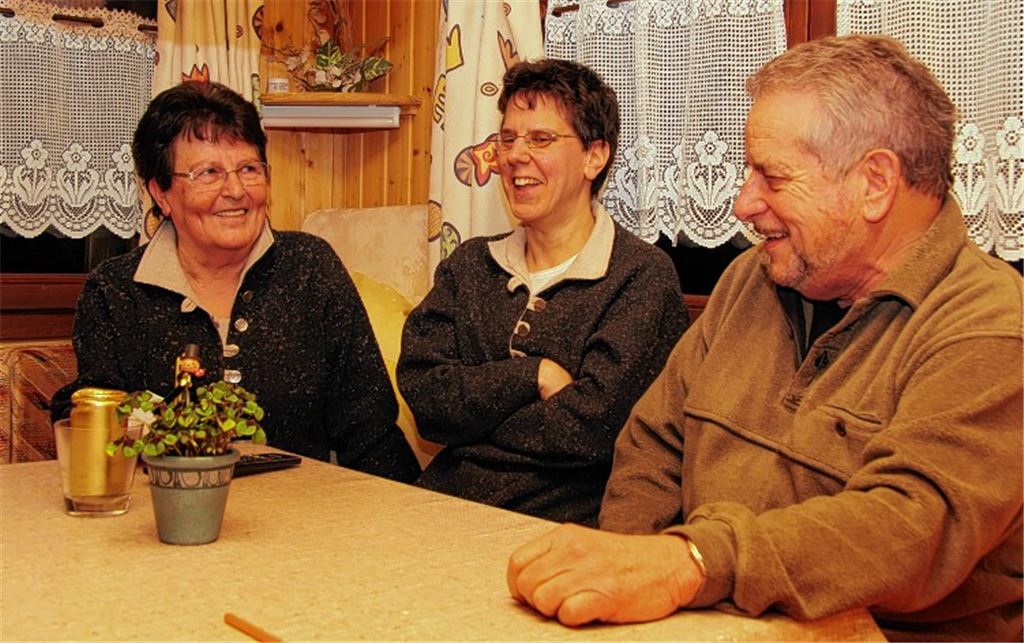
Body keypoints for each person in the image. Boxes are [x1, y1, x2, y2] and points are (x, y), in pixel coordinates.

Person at [506, 35, 1023, 642]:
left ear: (875, 182)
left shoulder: (989, 324)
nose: (744, 204)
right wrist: (623, 581)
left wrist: (691, 564)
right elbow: (653, 445)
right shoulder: (752, 279)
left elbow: (910, 527)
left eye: (772, 177)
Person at [52, 81, 420, 482]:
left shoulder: (310, 267)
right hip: (167, 517)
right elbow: (94, 420)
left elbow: (370, 431)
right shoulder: (116, 290)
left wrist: (410, 524)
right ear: (161, 192)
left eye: (248, 169)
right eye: (208, 172)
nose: (235, 191)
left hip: (308, 519)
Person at [397, 59, 689, 526]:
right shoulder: (470, 266)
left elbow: (593, 431)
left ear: (595, 156)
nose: (515, 156)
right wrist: (533, 376)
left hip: (560, 528)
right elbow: (425, 397)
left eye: (541, 139)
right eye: (508, 139)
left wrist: (471, 422)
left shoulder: (640, 278)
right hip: (439, 508)